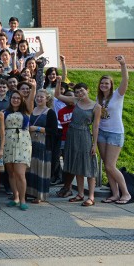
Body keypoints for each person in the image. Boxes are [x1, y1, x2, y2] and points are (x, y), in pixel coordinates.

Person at [55, 78, 101, 207]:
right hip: (72, 134)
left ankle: (91, 196)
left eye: (82, 91)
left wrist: (94, 143)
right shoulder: (75, 101)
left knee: (88, 165)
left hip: (85, 135)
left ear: (87, 90)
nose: (80, 93)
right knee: (77, 165)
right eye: (77, 92)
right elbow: (58, 95)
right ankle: (80, 194)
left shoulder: (96, 106)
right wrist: (59, 83)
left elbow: (96, 126)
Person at [97, 55, 131, 204]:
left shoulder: (118, 95)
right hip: (102, 134)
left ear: (111, 85)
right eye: (102, 83)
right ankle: (115, 194)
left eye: (107, 83)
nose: (104, 85)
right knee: (107, 166)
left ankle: (126, 193)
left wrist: (123, 64)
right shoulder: (100, 99)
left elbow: (125, 80)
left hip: (115, 134)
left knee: (111, 165)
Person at [4, 90, 34, 211]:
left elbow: (31, 100)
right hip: (8, 142)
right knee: (11, 173)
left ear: (21, 100)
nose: (15, 100)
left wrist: (33, 87)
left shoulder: (26, 111)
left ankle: (22, 199)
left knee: (20, 174)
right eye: (13, 97)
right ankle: (15, 197)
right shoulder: (4, 112)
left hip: (22, 142)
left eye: (18, 98)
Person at [26, 89, 57, 204]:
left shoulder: (50, 112)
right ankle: (30, 192)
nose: (39, 99)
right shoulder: (33, 110)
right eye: (37, 96)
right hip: (31, 143)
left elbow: (53, 131)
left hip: (43, 144)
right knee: (32, 168)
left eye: (41, 97)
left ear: (47, 99)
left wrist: (37, 128)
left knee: (41, 169)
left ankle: (40, 195)